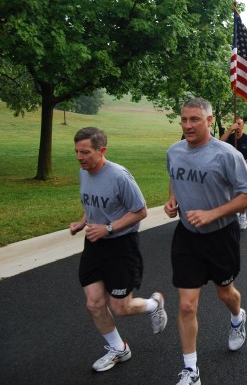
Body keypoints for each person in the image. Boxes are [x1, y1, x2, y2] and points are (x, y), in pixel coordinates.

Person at [164, 98, 247, 385]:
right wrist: (172, 200)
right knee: (187, 305)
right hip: (187, 237)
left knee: (225, 293)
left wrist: (212, 213)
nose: (188, 125)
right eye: (184, 120)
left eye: (194, 119)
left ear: (209, 120)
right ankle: (191, 371)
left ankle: (237, 317)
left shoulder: (227, 155)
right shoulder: (174, 151)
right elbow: (175, 178)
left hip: (220, 236)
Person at [70, 127, 167, 374]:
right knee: (94, 304)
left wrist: (109, 228)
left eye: (85, 152)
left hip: (121, 247)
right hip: (94, 244)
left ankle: (153, 305)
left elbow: (140, 211)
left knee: (120, 308)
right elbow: (92, 201)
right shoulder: (85, 172)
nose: (80, 157)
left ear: (102, 150)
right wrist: (84, 221)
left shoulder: (119, 176)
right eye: (77, 152)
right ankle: (119, 348)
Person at [219, 117, 247, 230]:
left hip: (243, 171)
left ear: (243, 125)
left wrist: (241, 162)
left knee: (242, 194)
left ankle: (242, 215)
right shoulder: (230, 137)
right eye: (236, 124)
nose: (238, 126)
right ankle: (234, 212)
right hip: (229, 171)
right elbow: (220, 142)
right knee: (230, 193)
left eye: (240, 124)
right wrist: (230, 130)